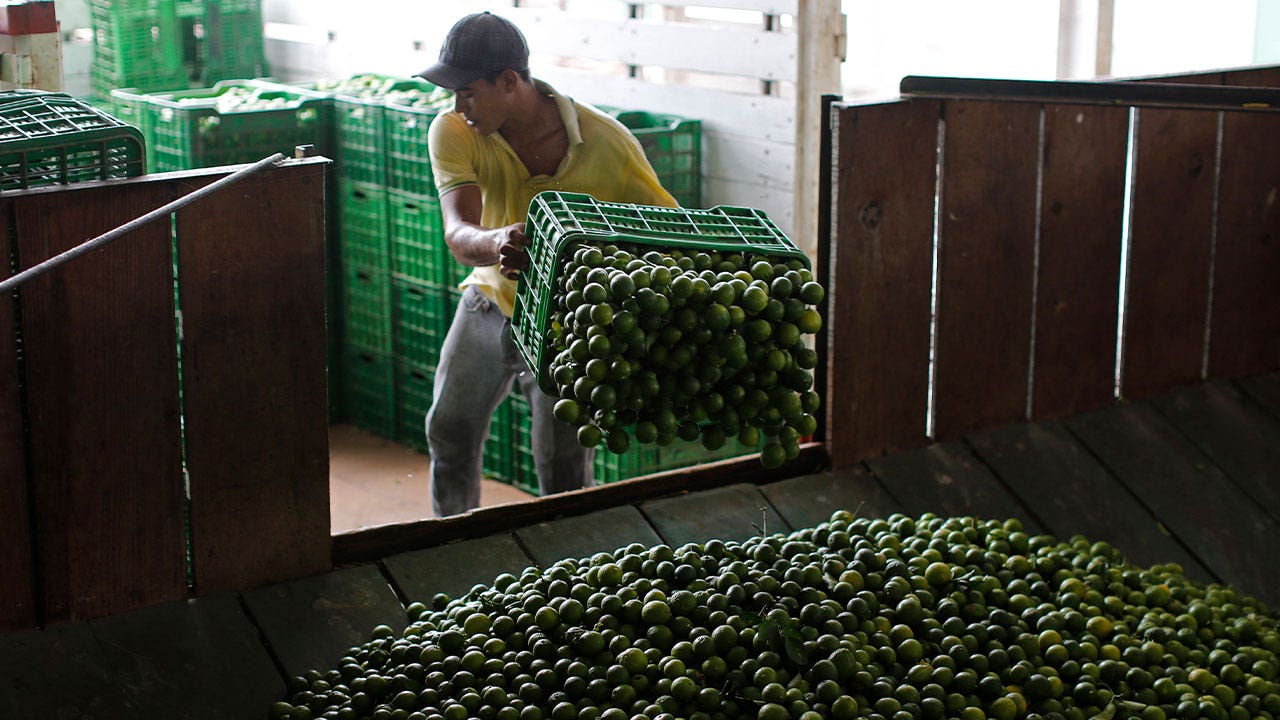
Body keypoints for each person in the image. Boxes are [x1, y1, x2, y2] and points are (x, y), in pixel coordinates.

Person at [417, 11, 677, 516]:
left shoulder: (609, 144)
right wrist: (495, 242)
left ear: (509, 81)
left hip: (569, 326)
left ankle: (565, 569)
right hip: (489, 302)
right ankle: (448, 541)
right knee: (449, 432)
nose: (457, 105)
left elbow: (662, 234)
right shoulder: (454, 131)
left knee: (561, 466)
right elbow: (458, 229)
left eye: (468, 91)